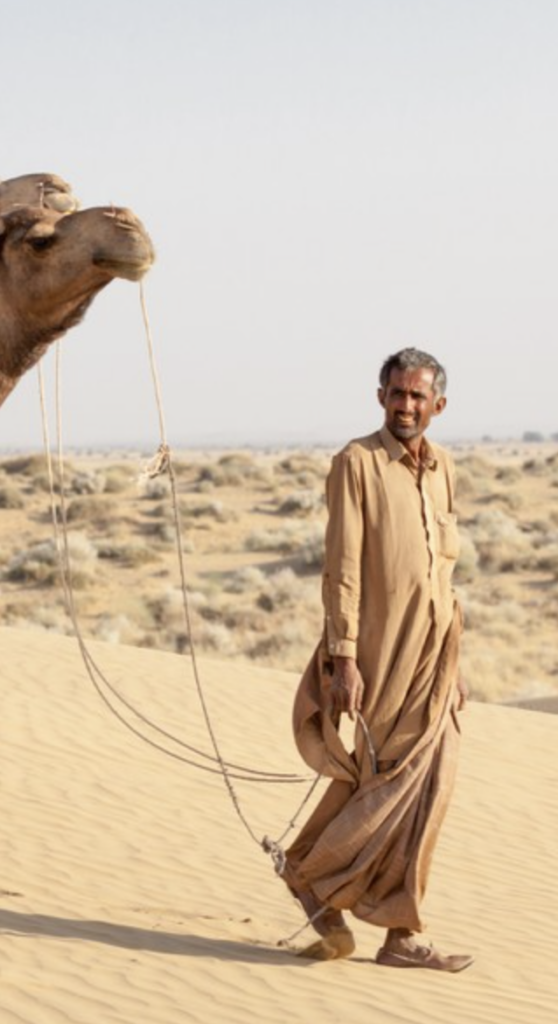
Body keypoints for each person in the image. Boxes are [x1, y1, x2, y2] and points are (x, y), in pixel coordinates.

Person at [282, 347, 473, 973]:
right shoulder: (356, 463)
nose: (406, 406)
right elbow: (341, 565)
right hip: (376, 657)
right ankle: (310, 874)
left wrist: (454, 662)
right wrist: (342, 657)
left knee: (428, 788)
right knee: (375, 779)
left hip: (432, 661)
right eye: (397, 393)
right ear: (380, 396)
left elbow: (441, 574)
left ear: (437, 405)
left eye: (418, 397)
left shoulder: (444, 467)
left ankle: (399, 932)